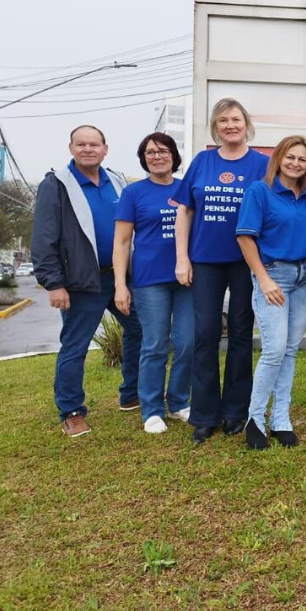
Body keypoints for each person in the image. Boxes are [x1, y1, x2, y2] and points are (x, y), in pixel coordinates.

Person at [32, 125, 143, 437]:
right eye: (81, 144)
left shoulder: (116, 181)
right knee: (75, 346)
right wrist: (53, 283)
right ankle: (71, 411)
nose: (88, 149)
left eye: (94, 144)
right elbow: (43, 238)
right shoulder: (56, 184)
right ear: (71, 149)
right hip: (82, 282)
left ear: (105, 149)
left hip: (120, 278)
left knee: (140, 330)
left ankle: (131, 393)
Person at [174, 98, 269, 444]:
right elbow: (184, 212)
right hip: (205, 260)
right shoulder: (202, 162)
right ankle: (204, 415)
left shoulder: (262, 164)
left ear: (247, 124)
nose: (230, 125)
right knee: (206, 334)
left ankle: (235, 411)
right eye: (223, 120)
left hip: (246, 262)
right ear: (215, 126)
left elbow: (271, 212)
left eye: (236, 119)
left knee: (242, 335)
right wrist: (182, 258)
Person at [235, 136, 306, 450]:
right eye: (290, 157)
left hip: (305, 277)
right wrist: (263, 279)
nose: (296, 163)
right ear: (279, 158)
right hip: (274, 276)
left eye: (302, 159)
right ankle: (254, 419)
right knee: (274, 349)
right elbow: (245, 238)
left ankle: (280, 419)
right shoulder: (260, 191)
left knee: (291, 349)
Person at [112, 132, 192, 434]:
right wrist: (121, 284)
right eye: (150, 152)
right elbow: (121, 242)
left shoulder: (187, 188)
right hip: (149, 281)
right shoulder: (134, 193)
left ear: (173, 155)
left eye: (163, 151)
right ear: (143, 158)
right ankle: (152, 409)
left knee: (186, 343)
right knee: (155, 345)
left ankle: (179, 402)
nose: (157, 156)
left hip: (187, 279)